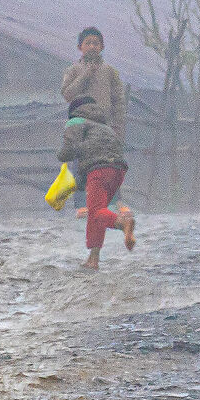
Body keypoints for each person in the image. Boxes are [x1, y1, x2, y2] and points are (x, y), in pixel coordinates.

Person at [61, 95, 136, 269]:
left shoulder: (77, 124)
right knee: (97, 213)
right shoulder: (104, 127)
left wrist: (63, 156)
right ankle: (93, 259)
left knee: (95, 213)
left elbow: (70, 154)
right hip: (118, 170)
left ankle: (123, 223)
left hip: (99, 170)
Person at [61, 27, 129, 135]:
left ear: (102, 47)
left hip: (103, 127)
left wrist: (117, 130)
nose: (92, 47)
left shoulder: (111, 72)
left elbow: (118, 103)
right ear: (80, 47)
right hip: (78, 126)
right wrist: (86, 75)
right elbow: (67, 95)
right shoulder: (73, 70)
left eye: (96, 43)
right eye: (88, 43)